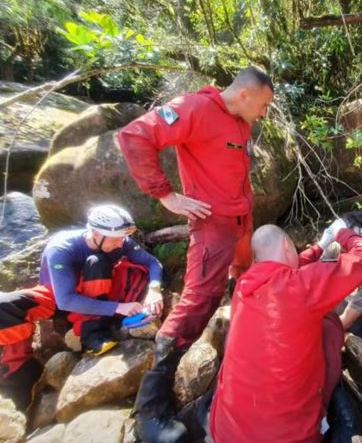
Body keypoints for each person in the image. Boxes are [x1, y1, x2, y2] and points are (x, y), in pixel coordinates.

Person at [117, 66, 274, 443]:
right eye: (264, 105)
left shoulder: (240, 122)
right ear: (245, 95)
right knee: (197, 302)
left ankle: (242, 351)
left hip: (241, 220)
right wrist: (165, 195)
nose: (265, 114)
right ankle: (149, 411)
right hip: (212, 224)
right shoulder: (193, 108)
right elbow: (134, 135)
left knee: (245, 276)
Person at [208, 221, 362, 443]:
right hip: (287, 437)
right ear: (288, 246)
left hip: (225, 432)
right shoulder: (300, 288)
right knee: (327, 325)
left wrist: (320, 247)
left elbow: (284, 269)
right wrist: (342, 232)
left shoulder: (244, 285)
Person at [0, 204, 163, 411]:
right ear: (95, 233)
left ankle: (92, 334)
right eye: (116, 239)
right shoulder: (61, 248)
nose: (121, 243)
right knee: (4, 307)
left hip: (98, 289)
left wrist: (155, 289)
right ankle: (20, 374)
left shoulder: (119, 243)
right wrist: (119, 307)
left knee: (97, 261)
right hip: (59, 296)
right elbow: (65, 300)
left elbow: (152, 264)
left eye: (123, 238)